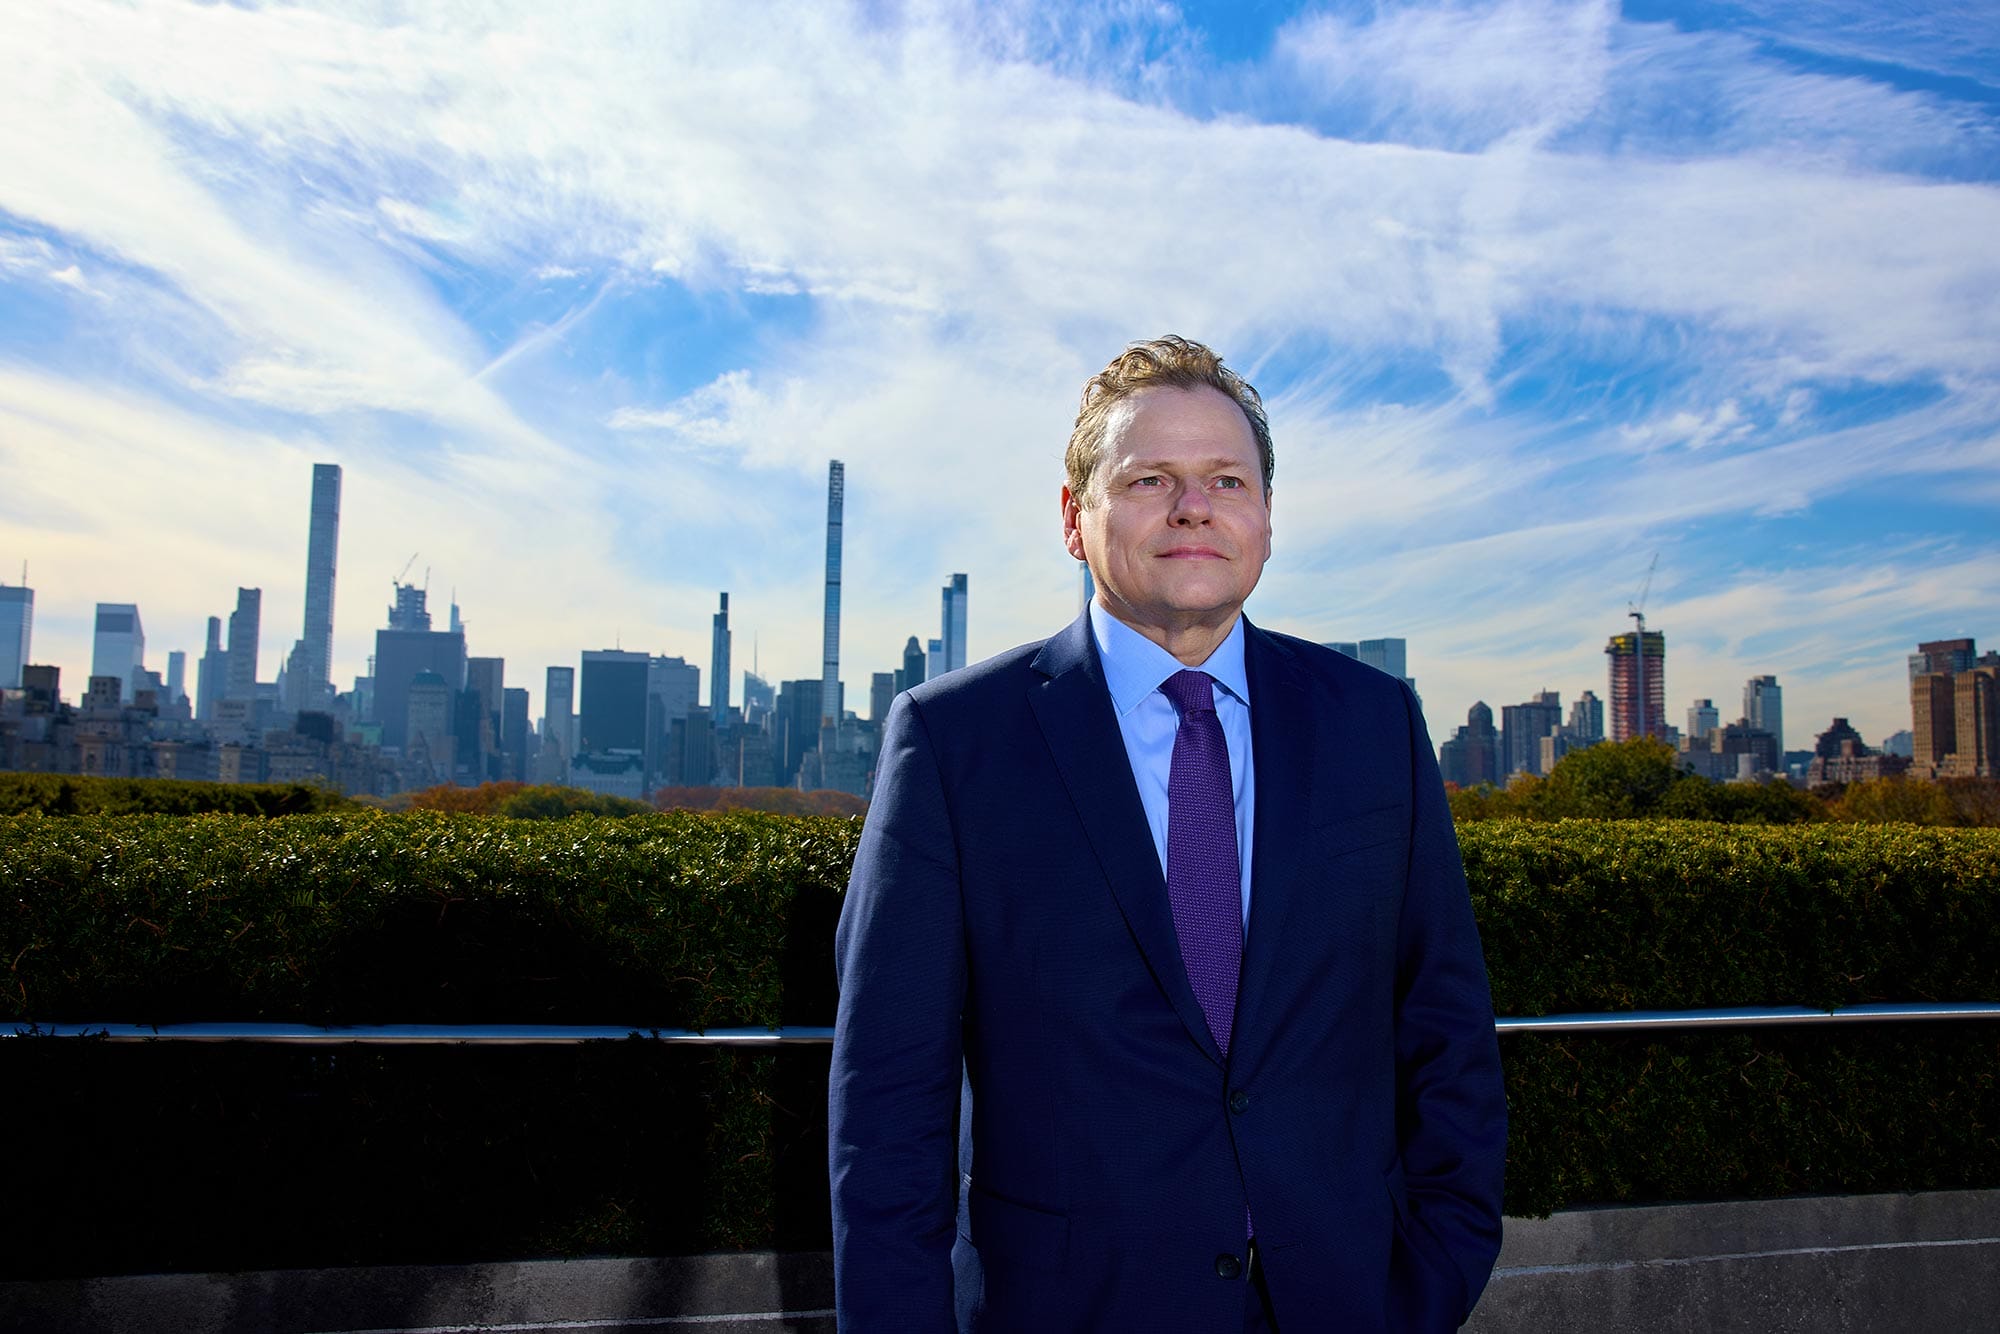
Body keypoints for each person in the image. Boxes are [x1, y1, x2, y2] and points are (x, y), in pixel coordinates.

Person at [829, 336, 1506, 1332]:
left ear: (1265, 517)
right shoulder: (954, 743)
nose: (1193, 505)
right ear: (1073, 517)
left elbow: (1444, 1029)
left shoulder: (1372, 723)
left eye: (1225, 479)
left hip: (1347, 1300)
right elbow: (888, 1102)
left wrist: (1431, 1271)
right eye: (1149, 478)